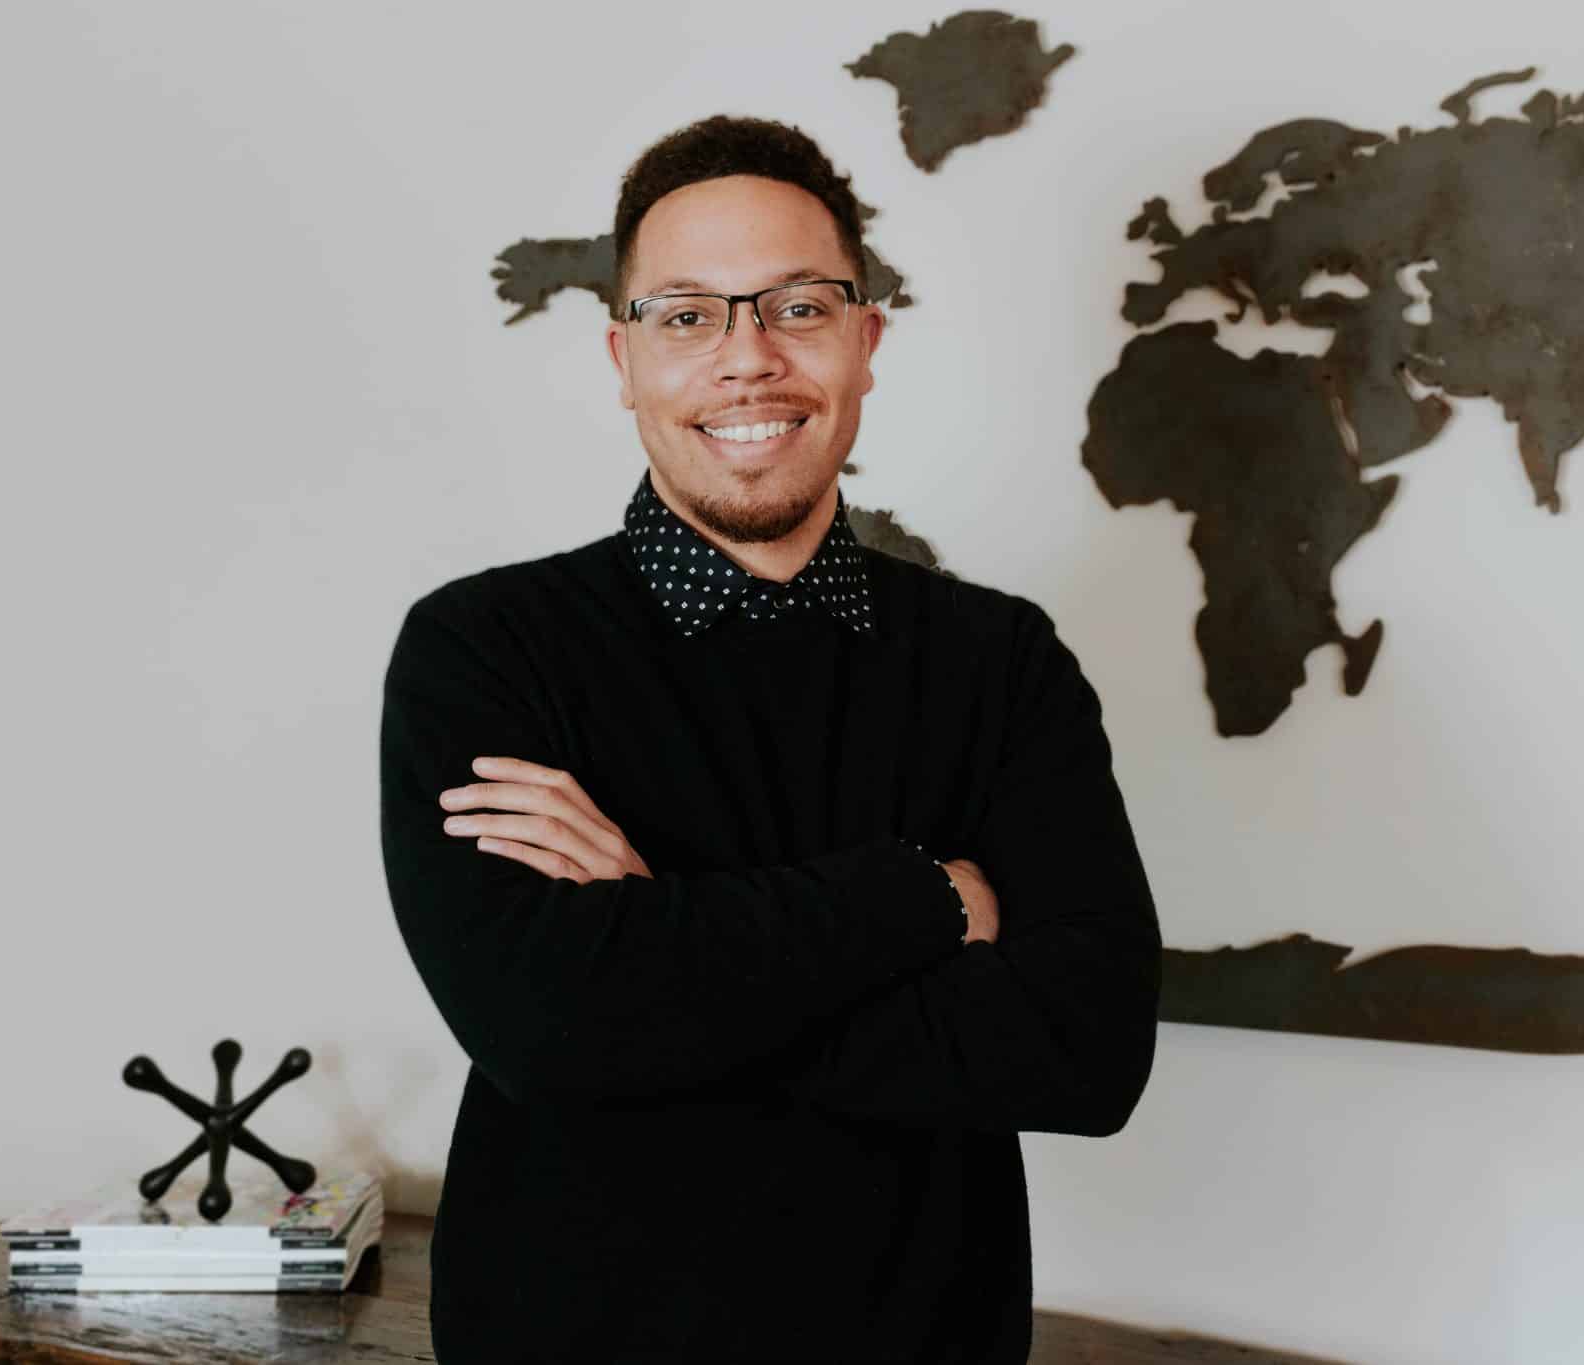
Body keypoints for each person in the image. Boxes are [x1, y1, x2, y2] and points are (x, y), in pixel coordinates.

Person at [379, 113, 1161, 1365]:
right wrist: (922, 899)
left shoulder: (999, 659)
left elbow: (1086, 1054)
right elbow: (546, 1029)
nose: (747, 359)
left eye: (796, 306)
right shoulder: (487, 646)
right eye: (687, 315)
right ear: (622, 359)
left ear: (864, 340)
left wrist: (660, 939)